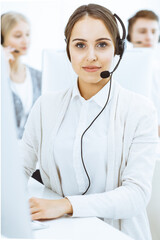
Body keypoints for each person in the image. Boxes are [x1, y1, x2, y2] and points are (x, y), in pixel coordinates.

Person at [22, 4, 158, 240]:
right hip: (59, 231)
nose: (91, 56)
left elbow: (136, 195)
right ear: (68, 50)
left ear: (117, 49)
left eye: (102, 44)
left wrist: (66, 205)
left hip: (117, 234)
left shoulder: (140, 110)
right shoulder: (45, 106)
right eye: (80, 45)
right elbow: (17, 168)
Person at [1, 11, 43, 184]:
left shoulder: (38, 76)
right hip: (5, 158)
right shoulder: (2, 76)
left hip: (33, 161)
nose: (25, 41)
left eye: (27, 34)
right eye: (18, 36)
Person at [127, 10, 160, 137]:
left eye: (154, 32)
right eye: (142, 32)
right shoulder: (115, 67)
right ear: (130, 36)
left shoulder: (157, 69)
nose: (149, 37)